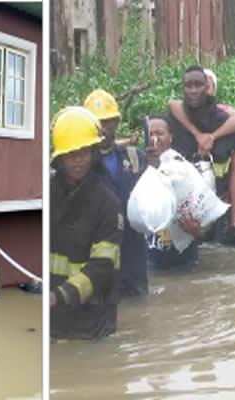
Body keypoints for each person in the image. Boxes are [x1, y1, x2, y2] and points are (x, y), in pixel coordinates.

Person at [50, 106, 122, 340]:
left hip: (92, 322)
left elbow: (102, 267)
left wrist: (57, 296)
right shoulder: (49, 195)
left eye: (84, 152)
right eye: (71, 154)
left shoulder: (107, 203)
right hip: (54, 320)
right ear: (59, 158)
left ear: (93, 152)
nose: (78, 160)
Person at [163, 65, 235, 246]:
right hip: (183, 213)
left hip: (218, 210)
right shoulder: (172, 120)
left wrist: (212, 137)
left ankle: (234, 224)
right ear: (183, 88)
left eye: (198, 85)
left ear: (207, 88)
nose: (193, 90)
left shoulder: (223, 120)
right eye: (188, 85)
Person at [143, 115, 235, 267]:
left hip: (184, 260)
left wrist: (197, 231)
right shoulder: (137, 168)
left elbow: (206, 229)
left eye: (159, 133)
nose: (154, 138)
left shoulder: (184, 171)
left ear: (171, 137)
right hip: (151, 260)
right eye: (150, 134)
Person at [84, 89, 148, 298]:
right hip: (98, 259)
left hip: (133, 260)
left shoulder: (134, 157)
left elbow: (152, 202)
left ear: (116, 123)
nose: (102, 128)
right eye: (96, 123)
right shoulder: (79, 163)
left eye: (107, 122)